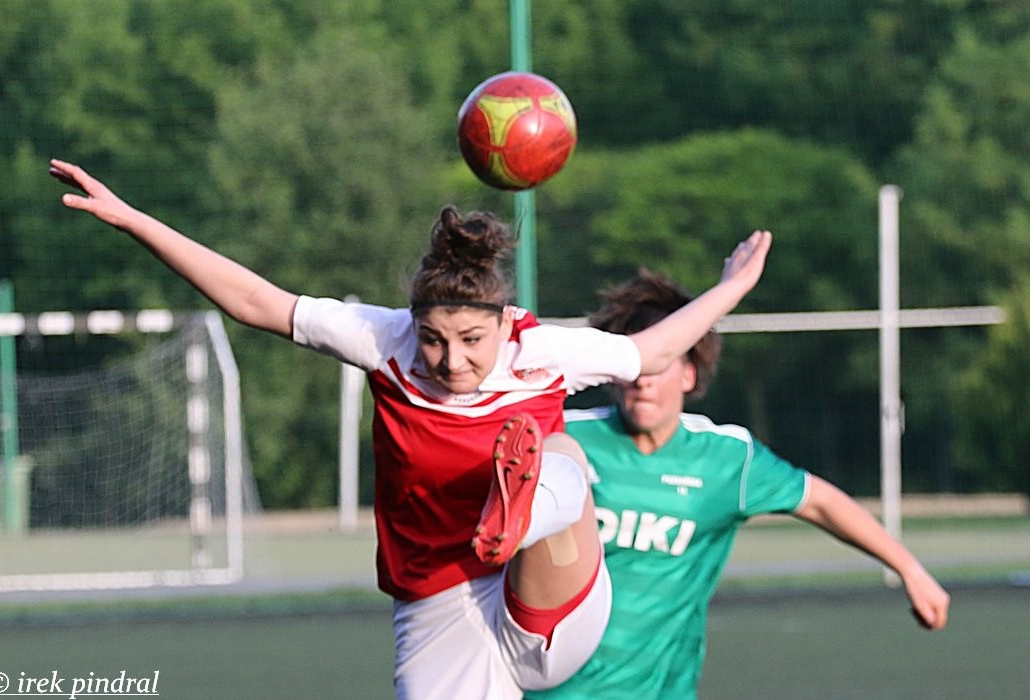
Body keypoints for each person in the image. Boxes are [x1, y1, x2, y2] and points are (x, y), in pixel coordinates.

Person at [48, 159, 772, 699]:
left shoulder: (541, 350)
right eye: (434, 340)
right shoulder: (382, 339)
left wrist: (732, 287)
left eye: (472, 341)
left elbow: (651, 352)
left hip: (551, 596)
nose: (452, 361)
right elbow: (255, 301)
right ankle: (518, 505)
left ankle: (521, 509)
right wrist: (135, 220)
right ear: (412, 325)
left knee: (559, 451)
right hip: (439, 604)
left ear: (503, 323)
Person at [529, 269, 951, 700]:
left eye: (659, 364)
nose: (644, 379)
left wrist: (910, 569)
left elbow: (819, 501)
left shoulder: (728, 459)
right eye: (636, 364)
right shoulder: (562, 440)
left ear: (690, 374)